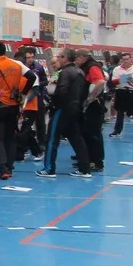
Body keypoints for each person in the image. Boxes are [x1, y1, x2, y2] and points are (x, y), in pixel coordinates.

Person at [0, 42, 36, 180]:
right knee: (10, 137)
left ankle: (2, 168)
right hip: (14, 105)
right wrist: (23, 92)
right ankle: (10, 167)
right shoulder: (17, 64)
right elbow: (32, 77)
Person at [38, 49, 91, 179]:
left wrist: (53, 100)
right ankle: (85, 169)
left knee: (52, 138)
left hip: (63, 109)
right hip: (75, 108)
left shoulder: (65, 72)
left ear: (65, 58)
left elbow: (61, 91)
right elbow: (85, 92)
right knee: (77, 138)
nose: (58, 60)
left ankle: (49, 169)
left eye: (59, 57)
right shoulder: (80, 71)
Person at [75, 50, 107, 173]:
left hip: (93, 106)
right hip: (88, 105)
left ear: (83, 57)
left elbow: (100, 82)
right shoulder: (85, 67)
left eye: (77, 58)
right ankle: (88, 159)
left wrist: (90, 98)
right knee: (86, 133)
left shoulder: (92, 67)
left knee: (93, 133)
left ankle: (96, 162)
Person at [109, 53, 133, 139]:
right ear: (121, 60)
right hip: (121, 91)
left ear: (131, 59)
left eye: (127, 59)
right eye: (124, 59)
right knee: (120, 112)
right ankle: (117, 131)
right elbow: (114, 81)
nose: (125, 61)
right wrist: (128, 78)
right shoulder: (117, 69)